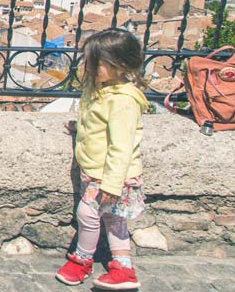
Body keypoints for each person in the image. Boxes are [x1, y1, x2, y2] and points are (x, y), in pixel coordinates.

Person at [57, 28, 150, 290]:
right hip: (98, 171)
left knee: (87, 214)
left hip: (109, 175)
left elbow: (121, 146)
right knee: (114, 219)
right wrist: (81, 129)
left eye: (95, 63)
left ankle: (82, 260)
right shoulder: (102, 89)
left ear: (119, 66)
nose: (88, 67)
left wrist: (111, 184)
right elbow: (100, 126)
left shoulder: (122, 101)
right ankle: (124, 268)